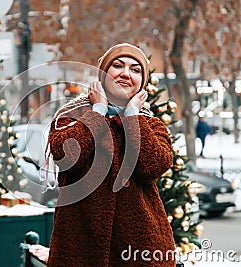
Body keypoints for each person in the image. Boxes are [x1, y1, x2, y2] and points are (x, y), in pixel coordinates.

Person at [45, 43, 176, 266]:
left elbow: (151, 167)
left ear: (142, 84)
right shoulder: (70, 117)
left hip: (141, 251)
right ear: (103, 74)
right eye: (117, 66)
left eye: (135, 70)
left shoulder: (151, 125)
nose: (126, 73)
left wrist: (132, 117)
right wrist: (98, 112)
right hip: (79, 248)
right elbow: (67, 156)